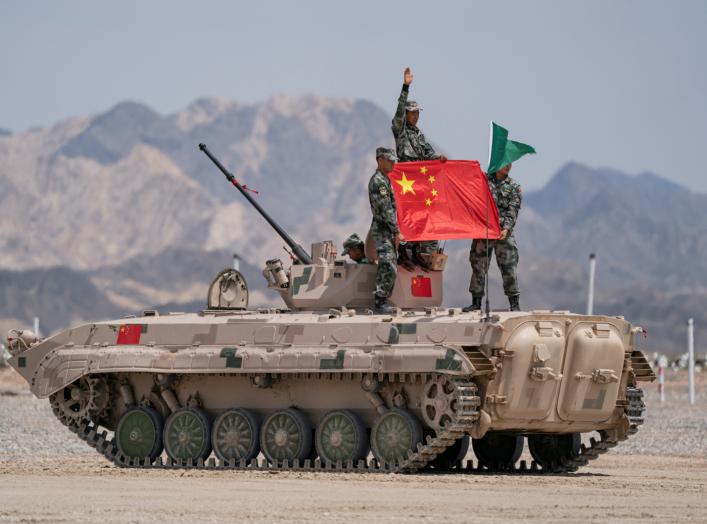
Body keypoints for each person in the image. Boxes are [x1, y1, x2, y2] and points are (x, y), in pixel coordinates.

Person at [391, 67, 447, 259]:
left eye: (417, 113)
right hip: (406, 180)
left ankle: (419, 252)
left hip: (421, 182)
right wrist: (405, 87)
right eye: (412, 113)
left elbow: (429, 153)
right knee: (408, 216)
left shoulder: (419, 134)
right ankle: (405, 250)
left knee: (423, 217)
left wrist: (438, 159)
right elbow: (398, 112)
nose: (415, 116)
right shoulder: (400, 130)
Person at [464, 162, 522, 312]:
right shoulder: (483, 182)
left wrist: (507, 229)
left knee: (509, 266)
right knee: (478, 266)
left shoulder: (514, 186)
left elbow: (513, 210)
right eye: (504, 163)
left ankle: (514, 304)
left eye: (510, 164)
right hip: (484, 231)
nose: (508, 166)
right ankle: (476, 303)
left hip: (503, 233)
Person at [368, 147, 404, 314]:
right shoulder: (378, 182)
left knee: (391, 264)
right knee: (388, 265)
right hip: (383, 230)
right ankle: (380, 301)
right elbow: (385, 210)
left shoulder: (385, 180)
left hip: (386, 230)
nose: (393, 163)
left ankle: (383, 300)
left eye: (393, 160)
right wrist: (396, 232)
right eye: (389, 160)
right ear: (379, 160)